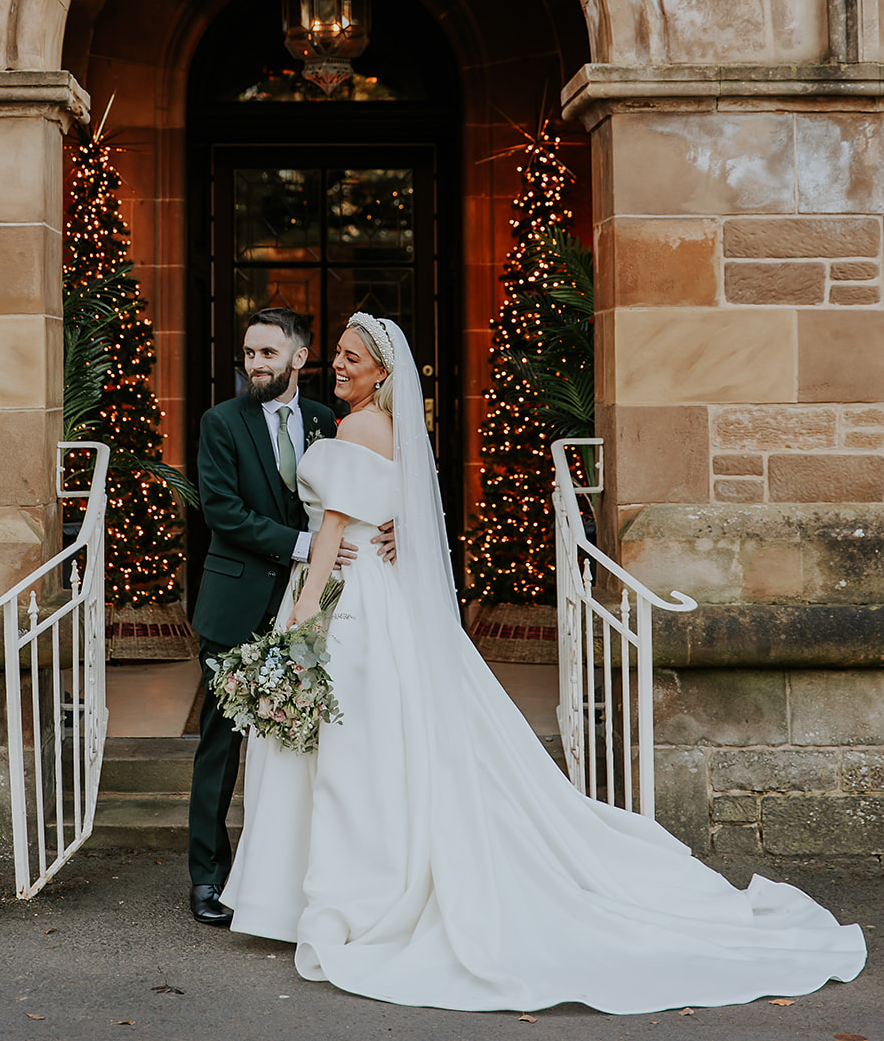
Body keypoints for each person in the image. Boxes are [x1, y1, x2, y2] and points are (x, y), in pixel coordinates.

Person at [221, 312, 866, 1013]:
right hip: (384, 599)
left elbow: (333, 531)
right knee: (372, 746)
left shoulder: (352, 429)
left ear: (382, 371)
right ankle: (352, 884)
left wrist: (302, 612)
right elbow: (389, 508)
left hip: (352, 602)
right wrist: (392, 528)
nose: (338, 367)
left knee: (348, 751)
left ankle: (342, 895)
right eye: (337, 356)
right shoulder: (389, 430)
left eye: (350, 358)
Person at [187, 307, 393, 927]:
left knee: (309, 744)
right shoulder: (221, 422)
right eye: (249, 353)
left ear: (298, 358)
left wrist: (390, 526)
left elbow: (364, 486)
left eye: (268, 354)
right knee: (220, 744)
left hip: (321, 603)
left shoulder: (331, 419)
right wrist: (304, 547)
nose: (256, 364)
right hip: (240, 598)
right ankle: (207, 875)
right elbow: (221, 511)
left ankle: (293, 875)